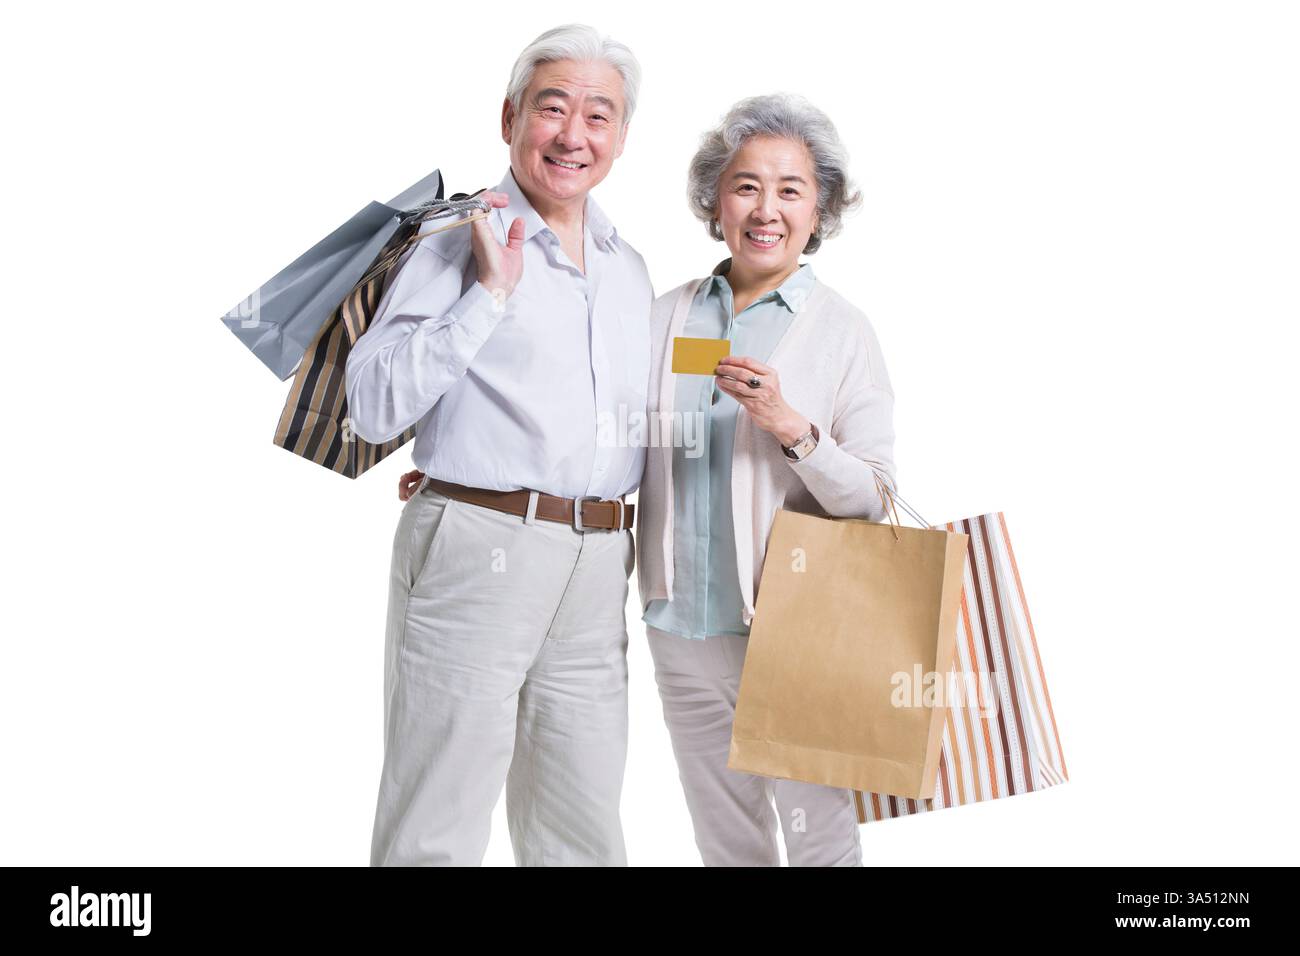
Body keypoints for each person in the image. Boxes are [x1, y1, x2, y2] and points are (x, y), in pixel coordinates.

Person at [345, 23, 652, 867]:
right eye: (552, 108)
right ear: (510, 117)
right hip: (480, 548)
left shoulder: (629, 270)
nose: (573, 134)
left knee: (582, 834)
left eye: (599, 115)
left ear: (621, 139)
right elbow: (370, 407)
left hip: (597, 569)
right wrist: (486, 295)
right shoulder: (454, 237)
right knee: (435, 827)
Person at [636, 93, 898, 866]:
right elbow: (606, 439)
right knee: (728, 845)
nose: (766, 209)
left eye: (791, 189)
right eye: (747, 185)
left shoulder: (842, 331)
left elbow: (874, 496)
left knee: (819, 842)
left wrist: (791, 427)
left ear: (821, 211)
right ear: (716, 200)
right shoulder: (666, 315)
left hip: (797, 629)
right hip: (678, 627)